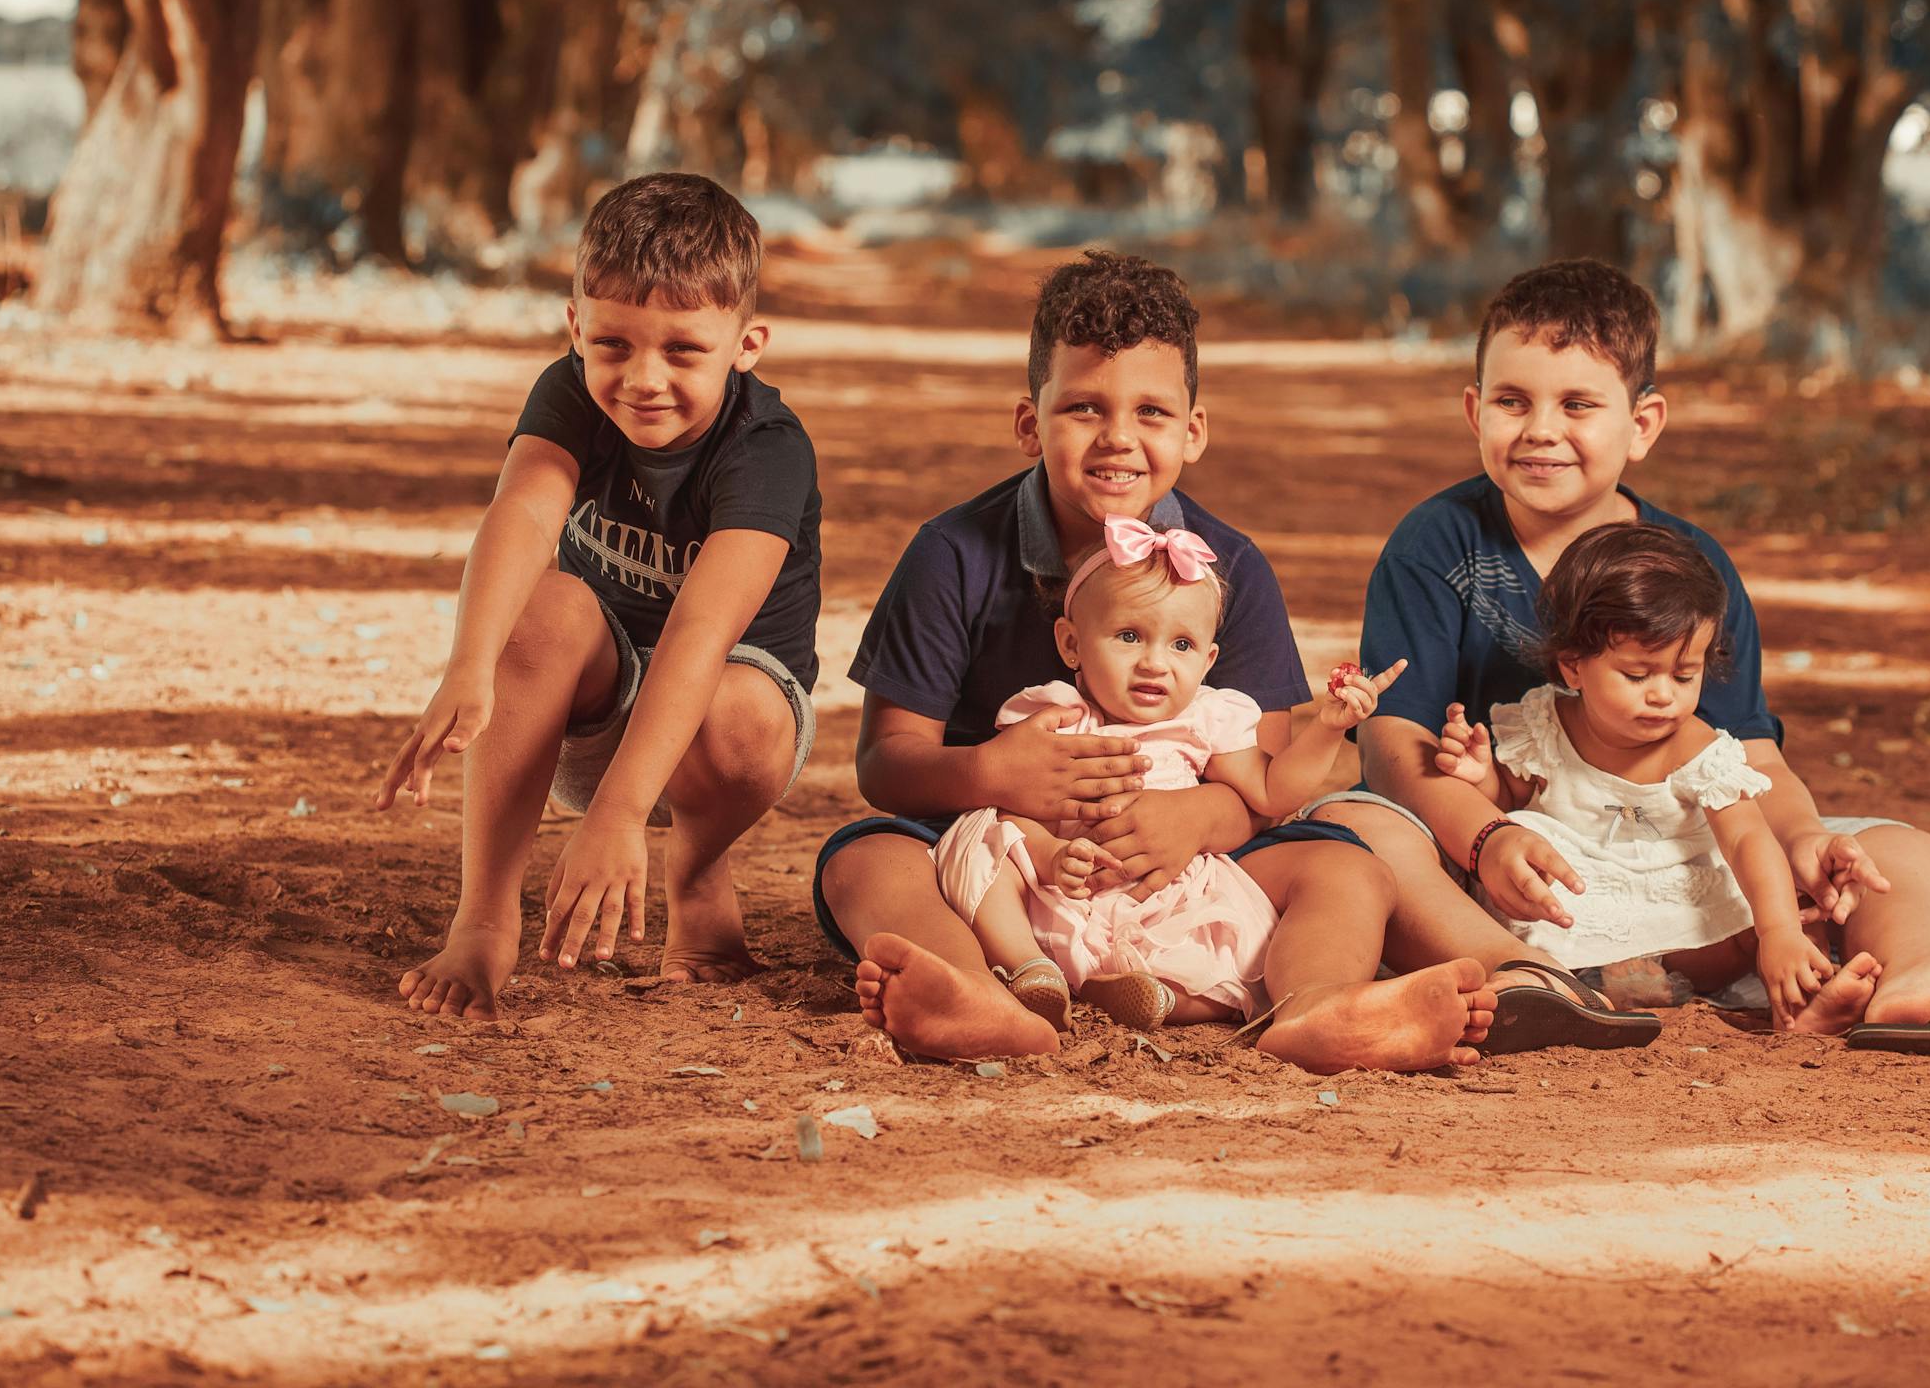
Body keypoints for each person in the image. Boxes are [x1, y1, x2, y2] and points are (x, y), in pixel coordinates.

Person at [1320, 257, 1930, 1066]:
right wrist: (1485, 835)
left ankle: (1917, 975)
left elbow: (1749, 752)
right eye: (1512, 401)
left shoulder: (1689, 565)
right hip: (1509, 859)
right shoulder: (1438, 546)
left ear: (1643, 423)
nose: (1540, 430)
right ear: (1474, 410)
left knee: (1905, 850)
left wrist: (1805, 837)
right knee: (1357, 828)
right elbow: (1393, 750)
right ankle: (1525, 977)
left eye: (1578, 405)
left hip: (1676, 849)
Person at [814, 249, 1495, 1074]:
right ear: (1030, 423)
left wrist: (1197, 819)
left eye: (1152, 413)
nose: (1118, 440)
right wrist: (993, 777)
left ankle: (1314, 1007)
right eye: (1083, 409)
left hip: (1182, 875)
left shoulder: (1230, 569)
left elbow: (1267, 782)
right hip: (1006, 870)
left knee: (1348, 869)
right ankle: (981, 997)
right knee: (862, 860)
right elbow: (886, 762)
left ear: (1193, 430)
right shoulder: (952, 555)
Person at [374, 173, 821, 1020]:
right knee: (540, 608)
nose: (642, 379)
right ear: (576, 326)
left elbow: (699, 631)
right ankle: (482, 922)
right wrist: (469, 668)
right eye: (613, 344)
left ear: (747, 343)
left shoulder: (768, 449)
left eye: (683, 350)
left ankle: (695, 865)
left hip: (729, 723)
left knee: (739, 707)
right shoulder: (569, 391)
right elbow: (523, 513)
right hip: (594, 713)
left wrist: (618, 816)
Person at [935, 515, 1405, 1032]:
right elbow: (1016, 813)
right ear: (1071, 644)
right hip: (1061, 895)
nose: (1155, 664)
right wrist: (1052, 857)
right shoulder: (1056, 716)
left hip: (1167, 897)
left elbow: (1274, 793)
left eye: (1180, 646)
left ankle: (1154, 998)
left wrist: (1328, 729)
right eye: (1130, 636)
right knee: (980, 836)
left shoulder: (1205, 719)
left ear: (1208, 661)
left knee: (1233, 961)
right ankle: (1032, 968)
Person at [1432, 521, 1886, 1030]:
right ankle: (1581, 982)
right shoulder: (1542, 725)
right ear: (1574, 667)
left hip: (1679, 905)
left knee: (1777, 910)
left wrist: (1777, 930)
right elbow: (1511, 796)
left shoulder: (1698, 746)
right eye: (1637, 675)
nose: (1663, 694)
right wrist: (1480, 777)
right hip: (1584, 896)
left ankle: (1797, 1000)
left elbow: (1746, 840)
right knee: (1521, 871)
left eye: (1684, 675)